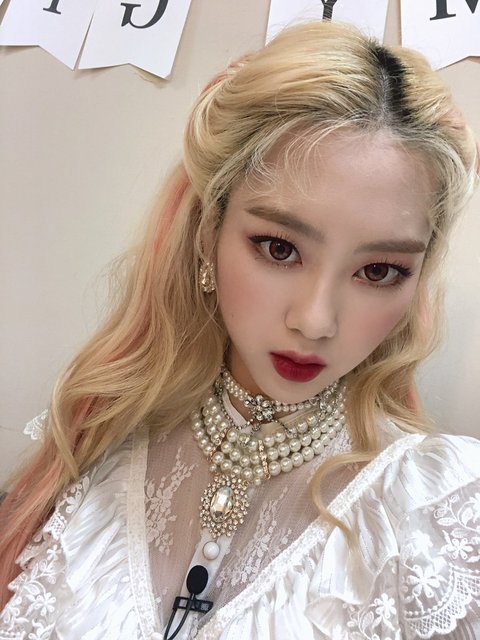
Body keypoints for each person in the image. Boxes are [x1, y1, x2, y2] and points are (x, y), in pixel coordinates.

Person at [0, 20, 479, 640]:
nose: (315, 320)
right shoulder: (94, 447)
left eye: (379, 270)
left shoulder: (444, 513)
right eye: (279, 248)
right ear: (208, 234)